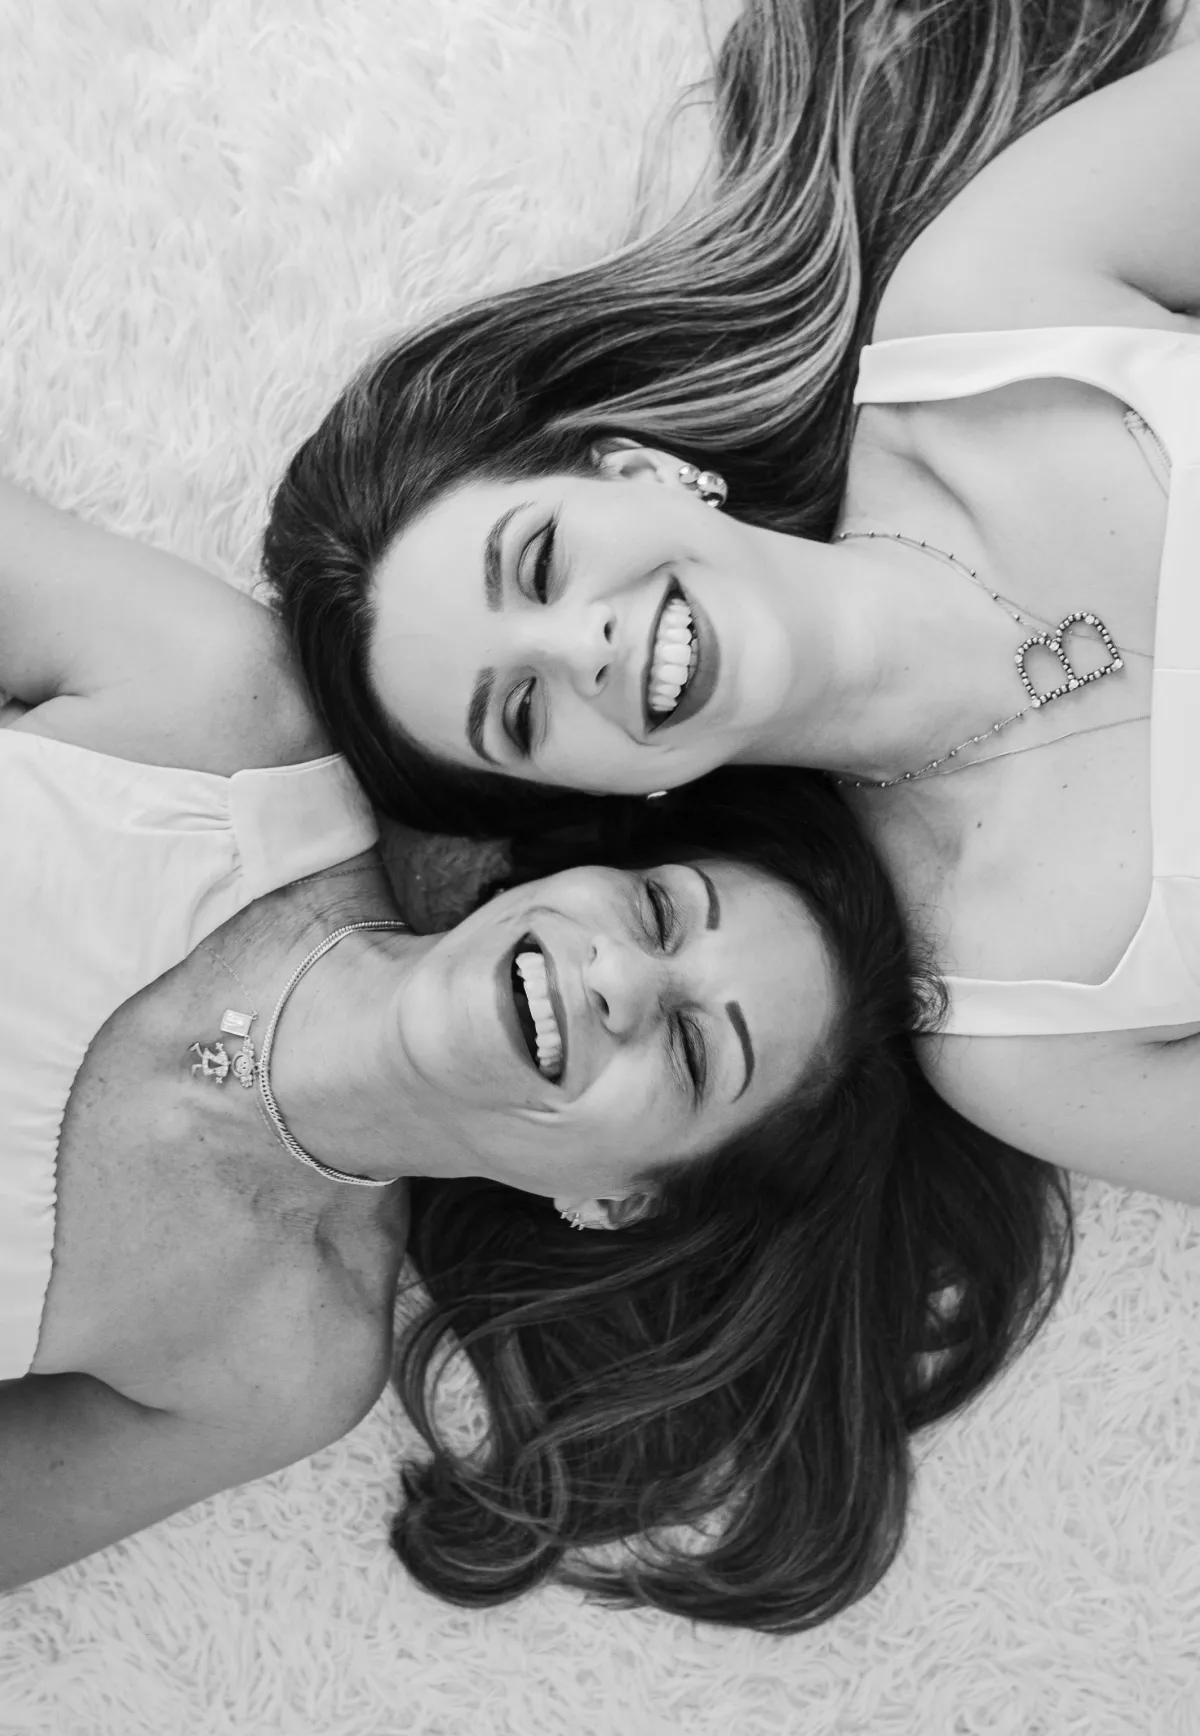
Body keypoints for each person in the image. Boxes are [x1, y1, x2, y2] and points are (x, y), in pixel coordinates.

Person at [0, 482, 1062, 1627]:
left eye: (693, 1051)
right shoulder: (221, 711)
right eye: (659, 913)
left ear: (619, 1201)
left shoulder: (281, 1361)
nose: (619, 980)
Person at [266, 0, 1200, 1206]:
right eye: (524, 713)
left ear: (640, 472)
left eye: (541, 564)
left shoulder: (990, 307)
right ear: (602, 795)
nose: (583, 647)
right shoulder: (1022, 1034)